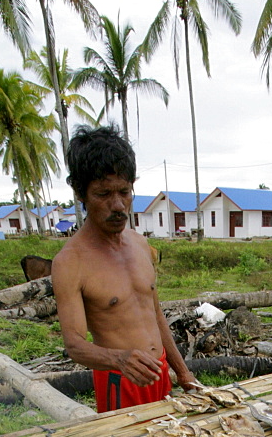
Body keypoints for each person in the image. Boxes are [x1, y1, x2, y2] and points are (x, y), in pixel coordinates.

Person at [52, 125, 200, 412]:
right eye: (103, 194)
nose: (118, 205)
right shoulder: (70, 262)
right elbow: (74, 345)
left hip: (159, 374)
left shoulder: (140, 244)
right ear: (81, 194)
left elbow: (155, 315)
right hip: (119, 381)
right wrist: (119, 359)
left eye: (125, 192)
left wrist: (182, 371)